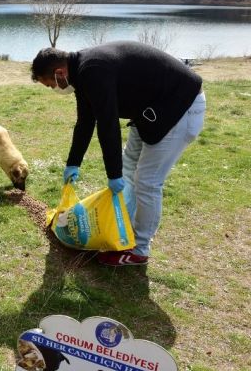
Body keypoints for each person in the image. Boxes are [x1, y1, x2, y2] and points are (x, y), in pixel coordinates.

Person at [31, 41, 206, 266]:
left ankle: (139, 250)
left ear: (59, 72)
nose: (53, 89)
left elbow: (108, 124)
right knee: (130, 168)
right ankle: (125, 232)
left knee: (147, 181)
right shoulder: (81, 72)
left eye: (49, 85)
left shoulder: (92, 70)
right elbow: (85, 121)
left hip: (180, 107)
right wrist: (73, 162)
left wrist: (113, 174)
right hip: (151, 109)